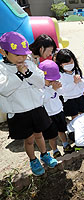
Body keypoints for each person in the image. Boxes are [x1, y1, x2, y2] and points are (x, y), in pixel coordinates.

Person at [0, 32, 57, 176]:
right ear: (3, 52)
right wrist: (19, 75)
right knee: (29, 139)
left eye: (24, 54)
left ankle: (45, 154)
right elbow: (4, 89)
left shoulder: (29, 64)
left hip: (36, 107)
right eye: (17, 54)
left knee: (39, 134)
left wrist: (27, 73)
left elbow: (40, 83)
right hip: (20, 111)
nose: (22, 58)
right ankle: (33, 160)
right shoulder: (2, 69)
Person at [39, 60, 74, 158]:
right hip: (48, 115)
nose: (52, 82)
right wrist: (52, 90)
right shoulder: (40, 88)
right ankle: (55, 150)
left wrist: (59, 88)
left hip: (58, 111)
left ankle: (65, 144)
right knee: (51, 135)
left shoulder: (55, 84)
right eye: (50, 80)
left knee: (62, 130)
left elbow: (61, 93)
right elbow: (42, 100)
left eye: (54, 80)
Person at [56, 49, 84, 119]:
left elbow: (83, 85)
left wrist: (80, 81)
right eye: (66, 63)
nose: (70, 65)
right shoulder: (60, 74)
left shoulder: (77, 70)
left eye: (71, 62)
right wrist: (74, 83)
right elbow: (62, 90)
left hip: (80, 96)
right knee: (74, 118)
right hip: (69, 99)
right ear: (60, 64)